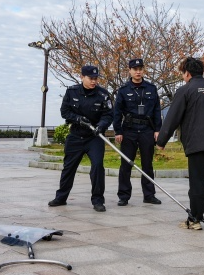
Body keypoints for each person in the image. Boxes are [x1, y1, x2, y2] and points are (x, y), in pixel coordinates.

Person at [157, 57, 204, 231]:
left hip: (197, 145)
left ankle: (196, 219)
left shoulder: (185, 91)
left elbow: (172, 118)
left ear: (187, 73)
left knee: (197, 183)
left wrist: (162, 140)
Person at [49, 65, 113, 212]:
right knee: (69, 167)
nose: (94, 81)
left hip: (94, 137)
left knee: (97, 167)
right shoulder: (72, 92)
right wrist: (78, 119)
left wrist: (101, 126)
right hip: (76, 135)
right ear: (82, 77)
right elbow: (64, 111)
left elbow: (109, 114)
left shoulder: (103, 94)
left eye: (96, 79)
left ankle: (98, 200)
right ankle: (61, 197)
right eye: (91, 78)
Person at [112, 58, 163, 206]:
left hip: (147, 130)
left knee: (147, 164)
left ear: (143, 70)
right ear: (130, 70)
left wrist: (158, 130)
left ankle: (149, 195)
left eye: (140, 68)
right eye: (135, 69)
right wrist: (118, 131)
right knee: (126, 165)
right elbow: (117, 112)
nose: (138, 71)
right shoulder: (123, 90)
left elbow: (156, 110)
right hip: (129, 131)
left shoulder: (151, 88)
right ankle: (123, 195)